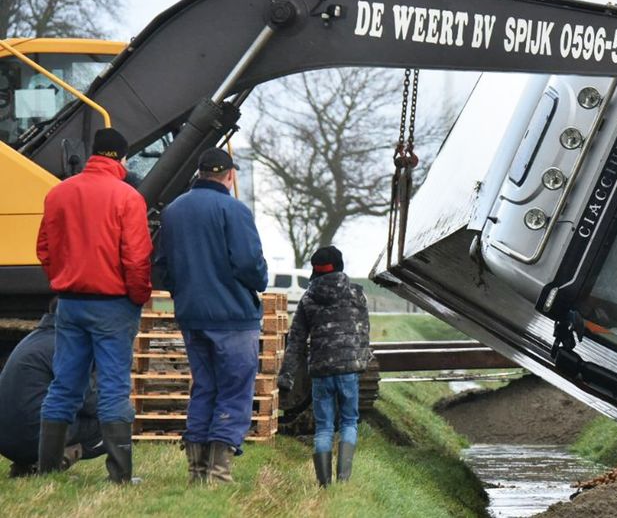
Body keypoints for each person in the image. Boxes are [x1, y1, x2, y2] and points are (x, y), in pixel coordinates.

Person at [35, 127, 152, 484]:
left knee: (64, 384)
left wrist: (66, 278)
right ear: (122, 157)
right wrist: (138, 296)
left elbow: (44, 249)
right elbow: (136, 258)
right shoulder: (128, 197)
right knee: (114, 386)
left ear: (94, 155)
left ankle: (48, 468)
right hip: (113, 304)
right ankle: (120, 475)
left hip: (70, 304)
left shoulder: (58, 194)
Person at [154, 147, 267, 484]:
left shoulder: (173, 211)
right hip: (233, 317)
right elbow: (249, 264)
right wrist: (259, 281)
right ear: (230, 176)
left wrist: (183, 293)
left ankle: (196, 472)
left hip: (192, 316)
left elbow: (160, 268)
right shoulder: (234, 210)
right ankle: (220, 472)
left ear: (199, 173)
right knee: (234, 390)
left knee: (204, 388)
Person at [277, 246, 371, 487]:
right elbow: (363, 332)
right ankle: (343, 479)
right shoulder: (356, 294)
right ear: (339, 266)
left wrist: (286, 376)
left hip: (320, 371)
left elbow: (296, 341)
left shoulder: (308, 299)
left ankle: (324, 484)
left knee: (323, 428)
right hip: (348, 370)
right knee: (349, 422)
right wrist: (362, 361)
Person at [0, 303, 105, 477]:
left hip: (5, 442)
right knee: (113, 420)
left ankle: (24, 466)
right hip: (34, 439)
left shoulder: (32, 340)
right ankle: (53, 463)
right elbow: (88, 402)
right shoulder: (67, 346)